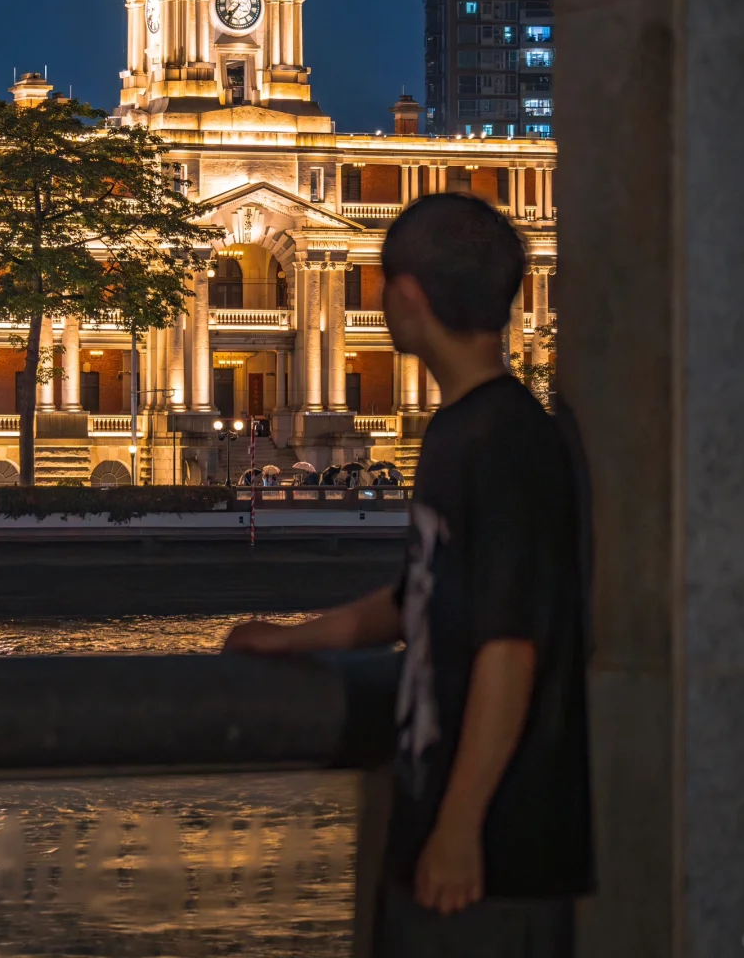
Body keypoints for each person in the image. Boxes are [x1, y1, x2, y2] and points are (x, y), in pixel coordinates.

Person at [225, 193, 591, 958]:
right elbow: (421, 592)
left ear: (406, 297)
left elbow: (510, 644)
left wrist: (460, 826)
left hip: (497, 846)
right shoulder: (461, 429)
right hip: (439, 812)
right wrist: (296, 639)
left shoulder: (509, 441)